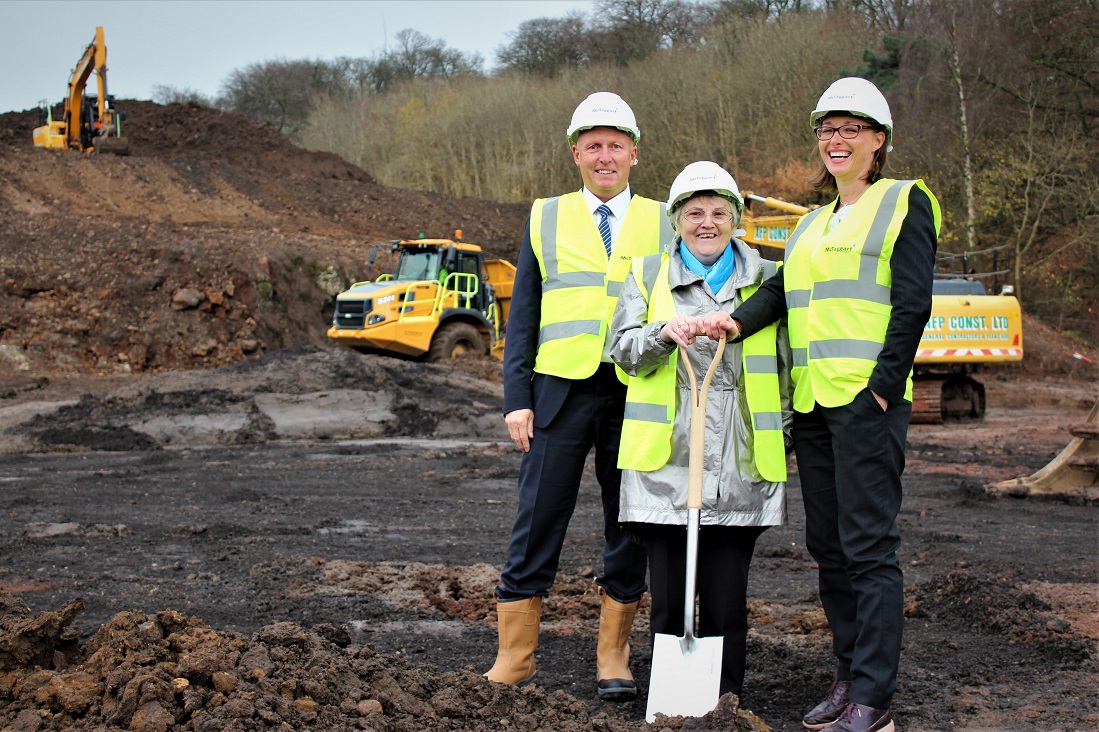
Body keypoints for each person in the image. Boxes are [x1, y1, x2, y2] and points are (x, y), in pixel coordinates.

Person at [698, 78, 941, 732]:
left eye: (850, 129)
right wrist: (733, 321)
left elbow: (912, 302)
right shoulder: (810, 223)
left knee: (868, 548)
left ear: (877, 140)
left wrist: (883, 386)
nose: (835, 140)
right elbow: (780, 294)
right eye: (827, 130)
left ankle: (874, 696)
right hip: (812, 403)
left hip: (866, 402)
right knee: (828, 547)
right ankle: (846, 676)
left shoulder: (902, 203)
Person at [484, 91, 673, 700]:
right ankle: (514, 658)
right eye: (594, 145)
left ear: (634, 153)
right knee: (537, 519)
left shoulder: (666, 218)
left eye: (616, 144)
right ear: (576, 154)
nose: (605, 155)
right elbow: (524, 318)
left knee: (630, 522)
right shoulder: (545, 215)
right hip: (557, 392)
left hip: (636, 390)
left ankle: (613, 656)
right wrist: (517, 399)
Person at [608, 161, 792, 700]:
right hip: (667, 458)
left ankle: (723, 699)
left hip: (740, 453)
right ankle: (673, 701)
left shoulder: (765, 280)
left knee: (726, 595)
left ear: (736, 219)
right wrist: (662, 334)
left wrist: (783, 434)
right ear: (676, 220)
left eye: (718, 212)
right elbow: (623, 353)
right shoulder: (648, 273)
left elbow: (784, 365)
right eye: (694, 213)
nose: (706, 223)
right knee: (666, 595)